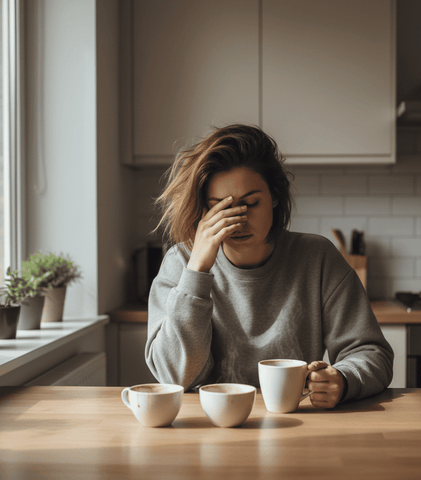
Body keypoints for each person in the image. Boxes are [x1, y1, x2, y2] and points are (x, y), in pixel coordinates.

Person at [146, 124, 393, 409]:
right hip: (207, 427)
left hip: (295, 424)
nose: (236, 221)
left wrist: (344, 379)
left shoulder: (317, 258)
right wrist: (197, 271)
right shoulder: (180, 263)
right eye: (220, 208)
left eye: (250, 203)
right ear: (204, 210)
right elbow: (173, 376)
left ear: (275, 197)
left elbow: (372, 353)